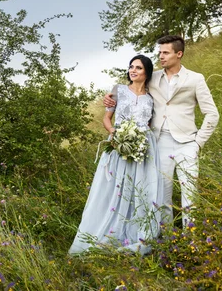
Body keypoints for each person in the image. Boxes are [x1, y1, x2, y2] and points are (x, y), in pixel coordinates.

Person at [104, 35, 219, 227]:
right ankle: (168, 239)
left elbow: (212, 114)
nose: (161, 57)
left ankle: (191, 240)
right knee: (162, 195)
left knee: (190, 194)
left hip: (188, 143)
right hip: (159, 144)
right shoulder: (153, 77)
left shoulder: (195, 79)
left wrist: (198, 142)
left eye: (165, 53)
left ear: (179, 54)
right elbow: (131, 91)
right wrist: (110, 99)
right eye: (160, 53)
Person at [69, 55, 164, 256]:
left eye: (138, 67)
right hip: (118, 145)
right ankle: (106, 232)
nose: (133, 70)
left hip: (142, 149)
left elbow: (147, 124)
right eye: (131, 67)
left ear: (147, 72)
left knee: (138, 190)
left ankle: (135, 234)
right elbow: (106, 118)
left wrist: (140, 140)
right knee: (114, 189)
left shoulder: (151, 98)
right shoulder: (118, 90)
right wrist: (115, 134)